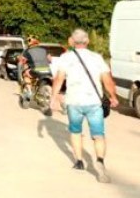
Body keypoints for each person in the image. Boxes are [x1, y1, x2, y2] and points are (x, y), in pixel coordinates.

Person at [50, 28, 119, 183]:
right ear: (87, 41)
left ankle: (79, 162)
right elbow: (107, 80)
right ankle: (100, 161)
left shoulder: (65, 58)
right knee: (98, 135)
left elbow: (59, 79)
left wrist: (53, 98)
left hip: (74, 102)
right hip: (94, 102)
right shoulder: (97, 58)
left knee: (76, 132)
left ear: (72, 42)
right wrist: (113, 97)